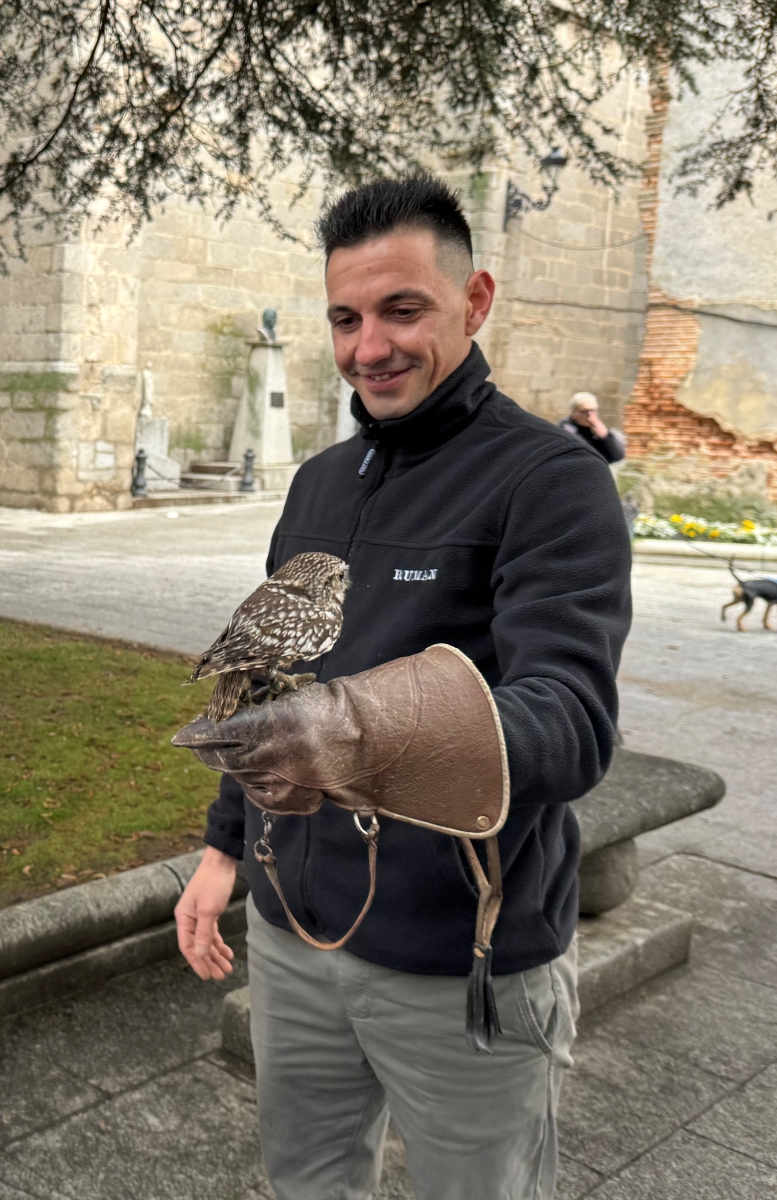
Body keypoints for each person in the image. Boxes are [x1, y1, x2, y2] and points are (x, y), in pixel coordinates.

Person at [174, 174, 631, 1200]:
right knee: (306, 1185)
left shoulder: (551, 481)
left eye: (401, 310)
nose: (367, 347)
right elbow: (264, 679)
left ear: (474, 304)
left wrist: (354, 731)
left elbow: (569, 723)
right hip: (294, 937)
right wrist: (219, 845)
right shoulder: (319, 482)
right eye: (344, 317)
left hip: (463, 961)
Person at [559, 391, 626, 462]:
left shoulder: (596, 429)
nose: (590, 415)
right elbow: (583, 453)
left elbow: (619, 456)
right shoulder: (566, 428)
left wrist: (606, 436)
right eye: (585, 411)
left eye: (593, 411)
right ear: (573, 412)